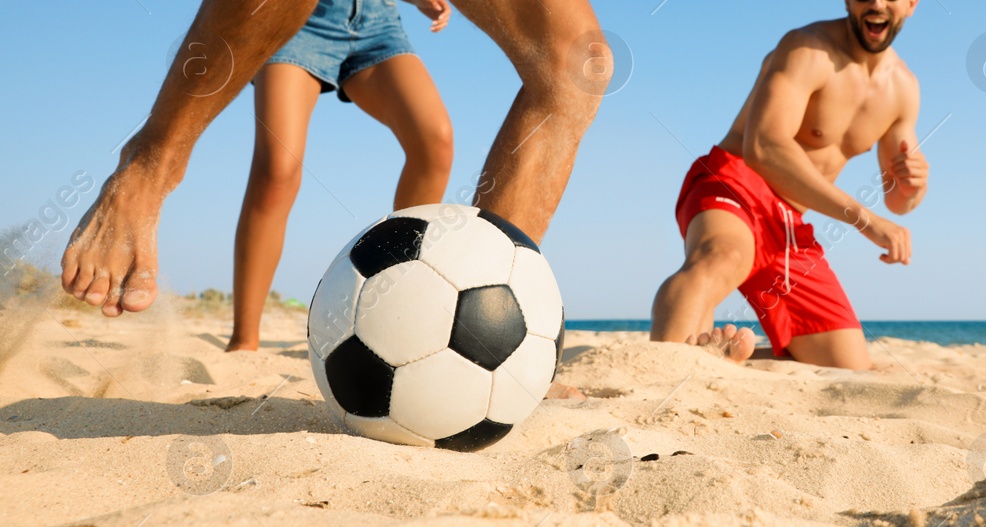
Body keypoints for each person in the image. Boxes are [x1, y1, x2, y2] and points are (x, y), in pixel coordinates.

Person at [59, 0, 609, 321]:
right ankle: (151, 167)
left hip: (372, 20)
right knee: (279, 166)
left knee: (575, 64)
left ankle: (474, 315)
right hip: (303, 22)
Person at [649, 0, 930, 370]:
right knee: (723, 257)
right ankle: (664, 374)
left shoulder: (904, 88)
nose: (876, 3)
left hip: (789, 219)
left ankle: (722, 359)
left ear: (911, 5)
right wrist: (865, 220)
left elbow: (897, 200)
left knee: (848, 363)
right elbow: (764, 148)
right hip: (736, 181)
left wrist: (912, 187)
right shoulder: (806, 48)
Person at [228, 0, 455, 353]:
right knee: (277, 169)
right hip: (297, 18)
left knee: (435, 142)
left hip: (377, 23)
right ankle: (244, 340)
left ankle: (396, 300)